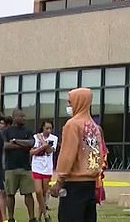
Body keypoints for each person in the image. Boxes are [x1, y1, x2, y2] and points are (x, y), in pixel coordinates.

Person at [49, 87, 104, 222]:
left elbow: (68, 155)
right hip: (90, 184)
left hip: (74, 184)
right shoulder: (94, 127)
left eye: (70, 102)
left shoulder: (72, 125)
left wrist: (59, 181)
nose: (68, 106)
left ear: (79, 102)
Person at [3, 110, 36, 222]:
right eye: (21, 116)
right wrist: (23, 145)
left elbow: (31, 143)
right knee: (10, 194)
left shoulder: (28, 130)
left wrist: (15, 141)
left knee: (28, 193)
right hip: (10, 167)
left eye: (24, 116)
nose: (24, 118)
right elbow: (5, 146)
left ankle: (32, 218)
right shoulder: (7, 131)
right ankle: (11, 218)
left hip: (25, 167)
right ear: (14, 117)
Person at [30, 121, 58, 222]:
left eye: (50, 128)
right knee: (38, 191)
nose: (49, 131)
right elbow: (32, 152)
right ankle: (46, 215)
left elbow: (49, 151)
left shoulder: (54, 138)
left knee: (44, 193)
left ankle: (39, 217)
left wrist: (42, 141)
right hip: (37, 167)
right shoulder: (35, 137)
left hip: (47, 168)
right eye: (47, 128)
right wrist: (43, 145)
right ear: (42, 128)